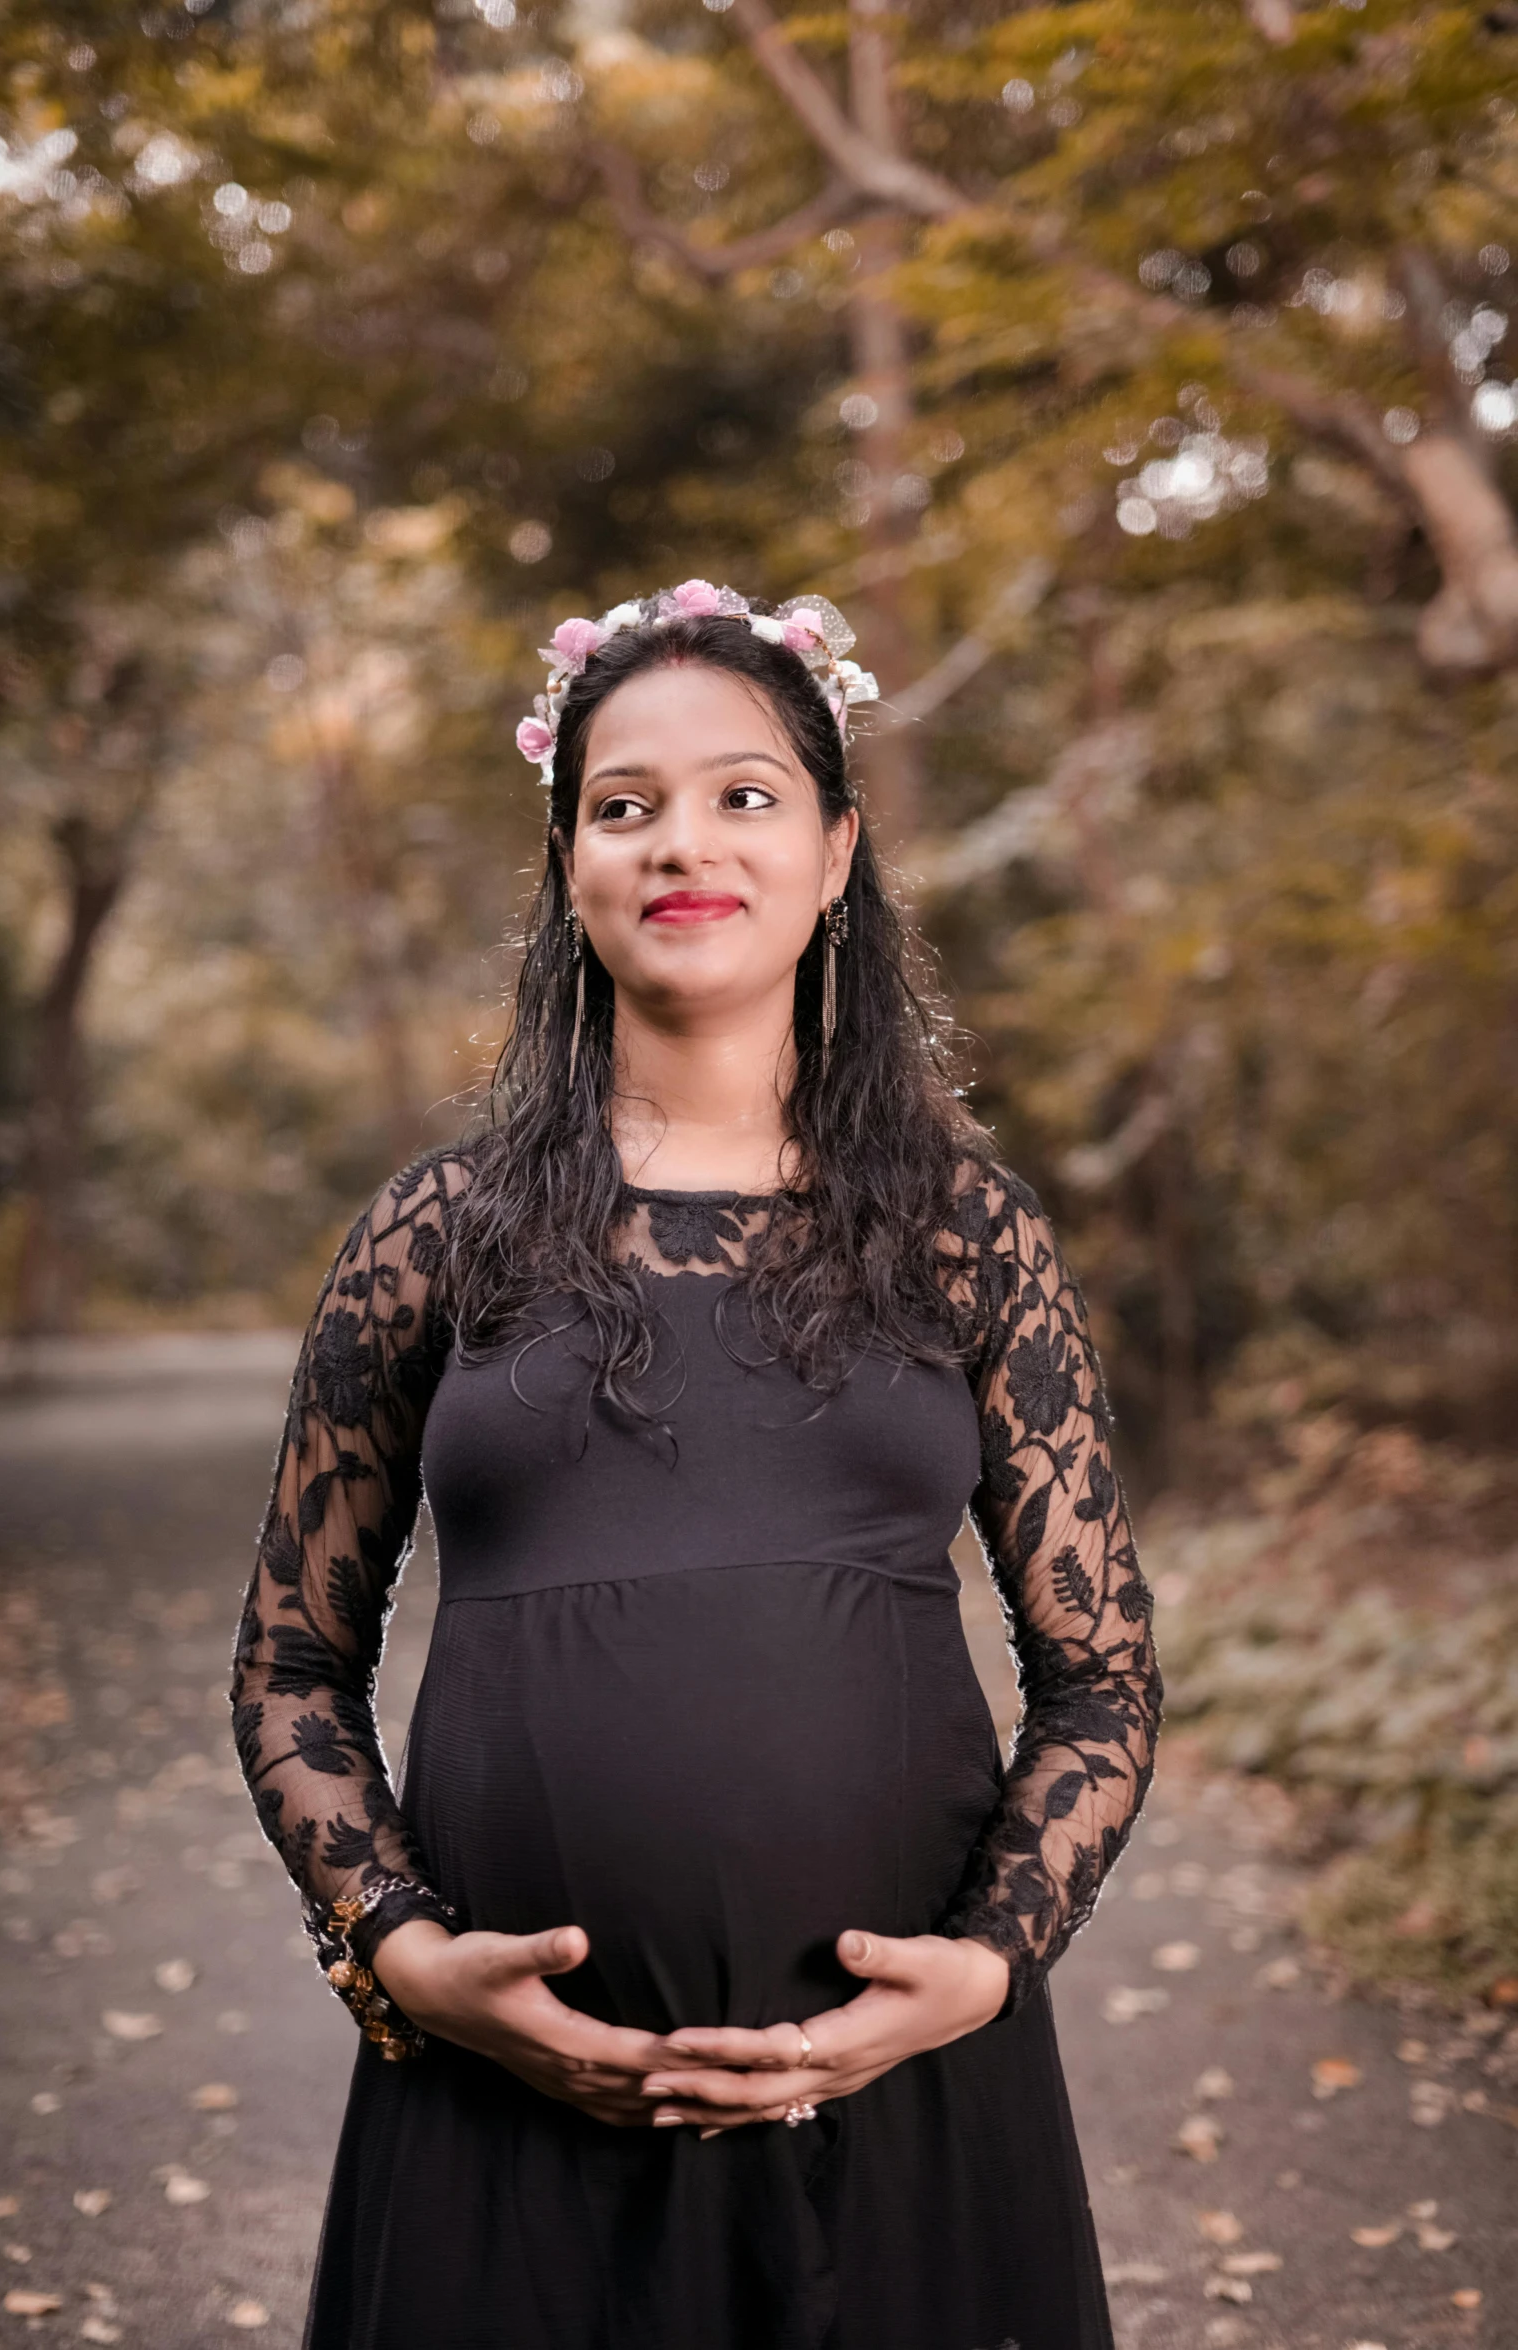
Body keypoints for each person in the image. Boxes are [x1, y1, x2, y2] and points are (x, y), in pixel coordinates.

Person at [231, 580, 1162, 2350]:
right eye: (622, 802)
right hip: (499, 2119)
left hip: (902, 2110)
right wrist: (410, 1959)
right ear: (571, 867)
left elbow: (1100, 1673)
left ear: (834, 855)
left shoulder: (964, 1236)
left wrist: (978, 1967)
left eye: (744, 793)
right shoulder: (434, 1236)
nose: (683, 841)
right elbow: (290, 1663)